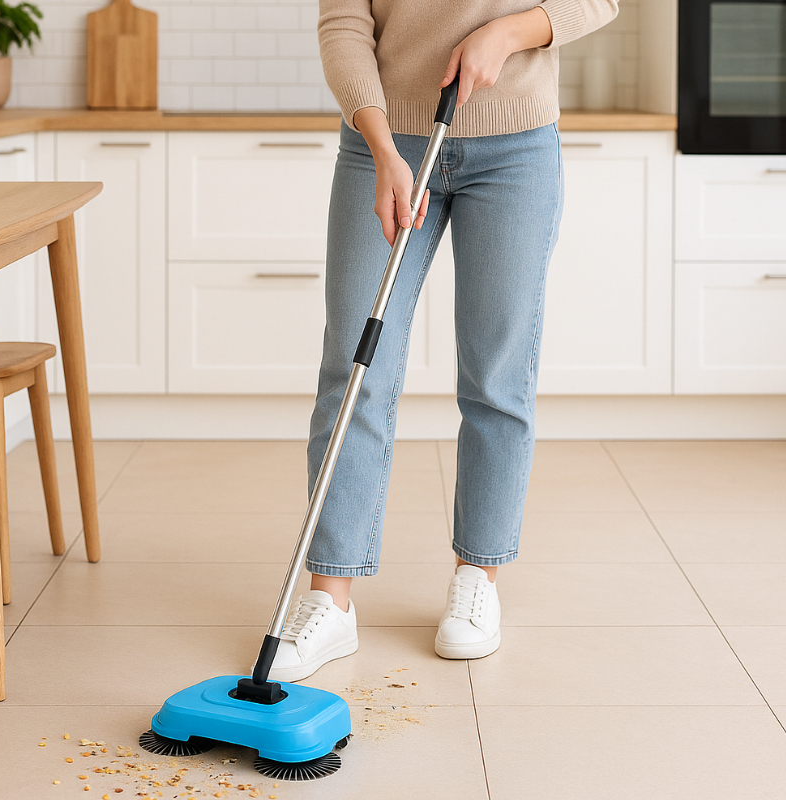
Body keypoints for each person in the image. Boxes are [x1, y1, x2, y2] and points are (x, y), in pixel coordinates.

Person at [265, 0, 619, 682]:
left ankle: (478, 577)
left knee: (497, 374)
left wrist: (508, 33)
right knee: (354, 367)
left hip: (517, 149)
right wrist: (380, 145)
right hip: (386, 142)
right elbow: (344, 25)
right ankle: (331, 599)